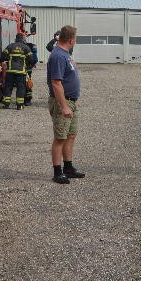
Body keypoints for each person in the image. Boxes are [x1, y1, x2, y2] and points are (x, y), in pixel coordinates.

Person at [47, 25, 85, 184]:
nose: (75, 41)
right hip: (64, 102)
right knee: (60, 137)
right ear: (71, 40)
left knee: (71, 135)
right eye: (75, 38)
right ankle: (57, 171)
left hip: (72, 101)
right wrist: (64, 106)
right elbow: (56, 83)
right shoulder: (58, 56)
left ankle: (68, 167)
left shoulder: (65, 54)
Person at [0, 33, 33, 110]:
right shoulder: (26, 47)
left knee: (8, 87)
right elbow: (32, 59)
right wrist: (27, 64)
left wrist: (7, 60)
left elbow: (3, 56)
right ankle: (19, 105)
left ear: (16, 38)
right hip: (21, 72)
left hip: (10, 71)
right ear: (22, 39)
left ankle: (6, 104)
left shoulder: (10, 46)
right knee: (20, 88)